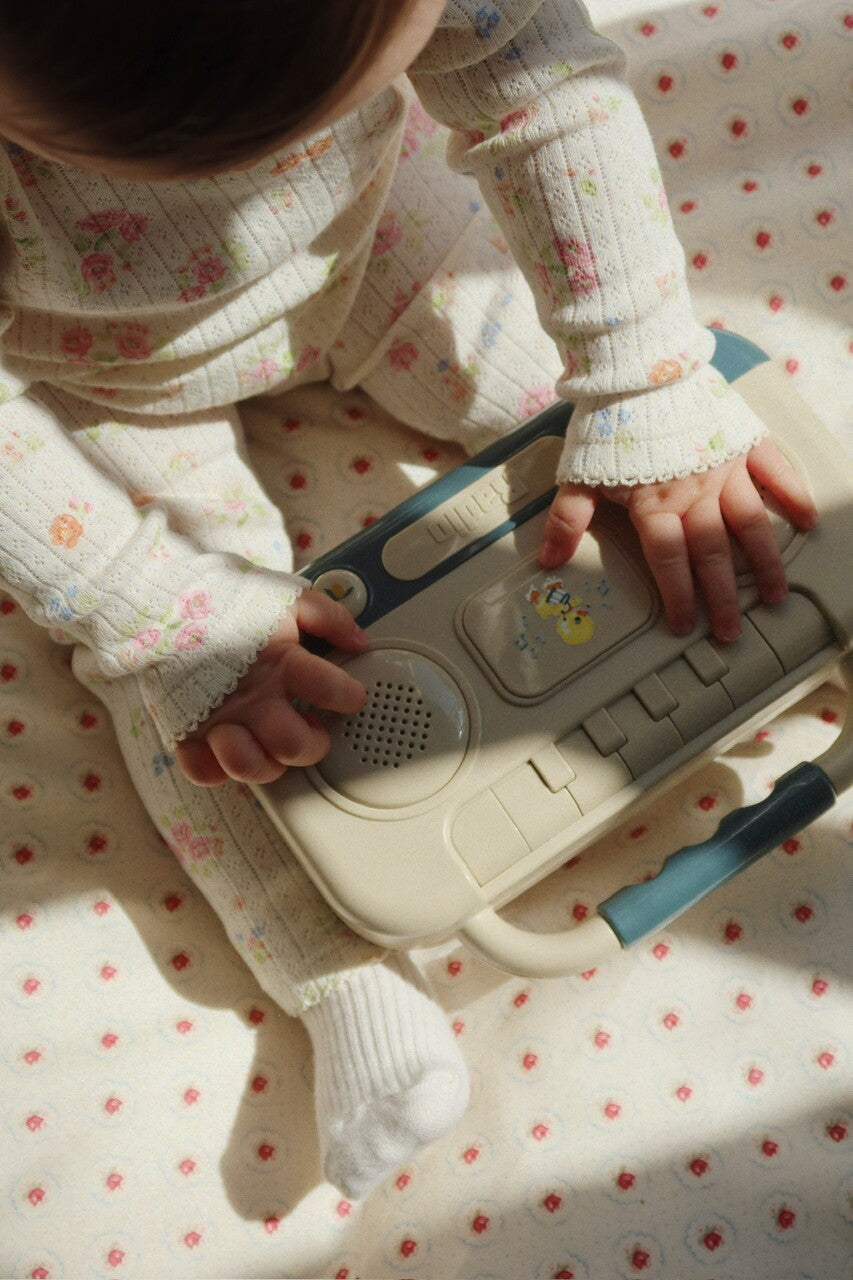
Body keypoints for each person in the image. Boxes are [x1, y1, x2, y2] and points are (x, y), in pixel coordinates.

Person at [0, 0, 817, 1198]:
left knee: (651, 453)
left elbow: (542, 84)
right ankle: (341, 977)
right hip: (111, 384)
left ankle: (803, 589)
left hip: (384, 252)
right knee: (203, 695)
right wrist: (150, 608)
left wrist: (640, 371)